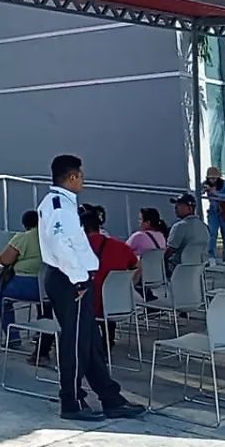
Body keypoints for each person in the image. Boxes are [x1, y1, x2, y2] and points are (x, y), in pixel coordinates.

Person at [38, 154, 146, 422]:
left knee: (91, 342)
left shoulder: (61, 202)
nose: (83, 181)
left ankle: (110, 397)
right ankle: (72, 401)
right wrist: (78, 279)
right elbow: (62, 246)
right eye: (81, 176)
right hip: (68, 279)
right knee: (75, 343)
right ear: (72, 177)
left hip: (72, 277)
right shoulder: (60, 207)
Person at [82, 209, 140, 351]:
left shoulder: (81, 248)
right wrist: (130, 285)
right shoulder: (121, 246)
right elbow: (137, 266)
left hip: (93, 306)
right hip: (122, 304)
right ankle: (108, 339)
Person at [0, 210, 44, 350]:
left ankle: (13, 336)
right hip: (48, 286)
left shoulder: (24, 237)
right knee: (44, 302)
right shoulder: (49, 237)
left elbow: (4, 260)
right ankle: (43, 334)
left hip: (25, 284)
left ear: (25, 225)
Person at [203, 166, 225, 263]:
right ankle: (212, 257)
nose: (212, 180)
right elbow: (199, 192)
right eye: (210, 178)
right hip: (213, 212)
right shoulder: (206, 184)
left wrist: (216, 193)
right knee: (212, 234)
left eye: (214, 178)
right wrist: (204, 190)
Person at [164, 193, 207, 272]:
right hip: (198, 270)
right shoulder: (204, 226)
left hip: (177, 269)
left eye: (179, 205)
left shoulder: (179, 226)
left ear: (190, 208)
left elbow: (169, 252)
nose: (176, 207)